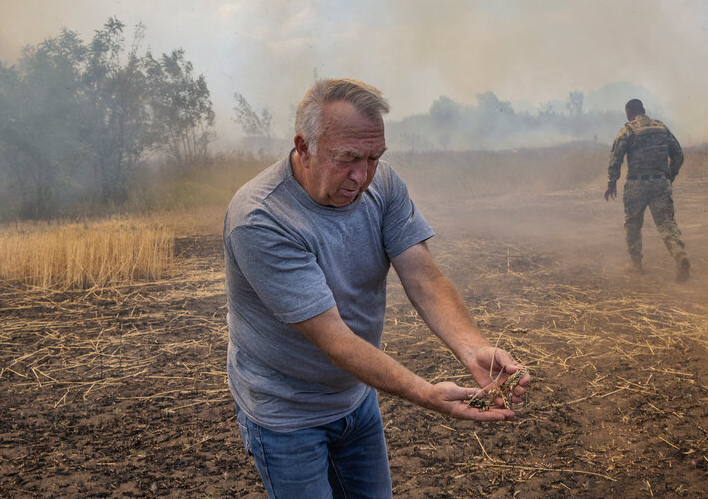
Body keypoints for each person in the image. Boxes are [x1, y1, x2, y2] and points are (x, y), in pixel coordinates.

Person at [224, 78, 531, 498]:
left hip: (355, 397)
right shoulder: (261, 217)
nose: (362, 176)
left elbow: (423, 276)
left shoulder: (382, 184)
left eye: (373, 157)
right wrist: (426, 394)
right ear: (303, 146)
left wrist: (472, 346)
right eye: (348, 158)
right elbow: (333, 338)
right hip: (286, 412)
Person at [604, 98, 691, 282]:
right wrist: (670, 175)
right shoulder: (661, 127)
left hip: (637, 184)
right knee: (666, 224)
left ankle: (636, 264)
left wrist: (612, 182)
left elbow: (616, 157)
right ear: (644, 110)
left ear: (628, 113)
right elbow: (679, 154)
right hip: (660, 183)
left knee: (633, 224)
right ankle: (679, 255)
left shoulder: (628, 130)